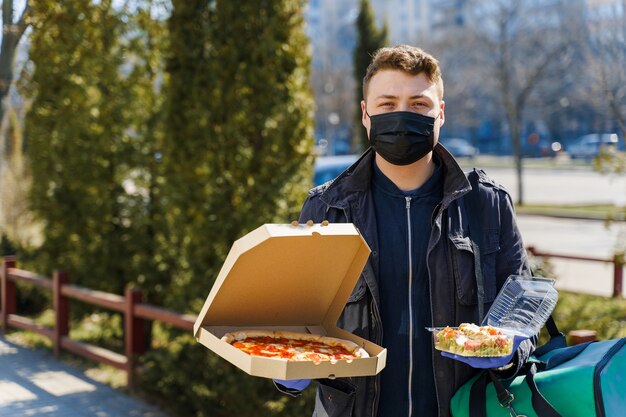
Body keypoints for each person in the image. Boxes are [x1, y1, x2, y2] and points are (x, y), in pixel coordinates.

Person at [277, 44, 533, 417]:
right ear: (366, 115)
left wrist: (510, 354)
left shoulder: (487, 205)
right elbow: (293, 319)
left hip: (465, 408)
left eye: (418, 104)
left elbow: (522, 313)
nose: (402, 115)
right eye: (387, 104)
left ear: (440, 113)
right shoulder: (326, 208)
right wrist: (286, 370)